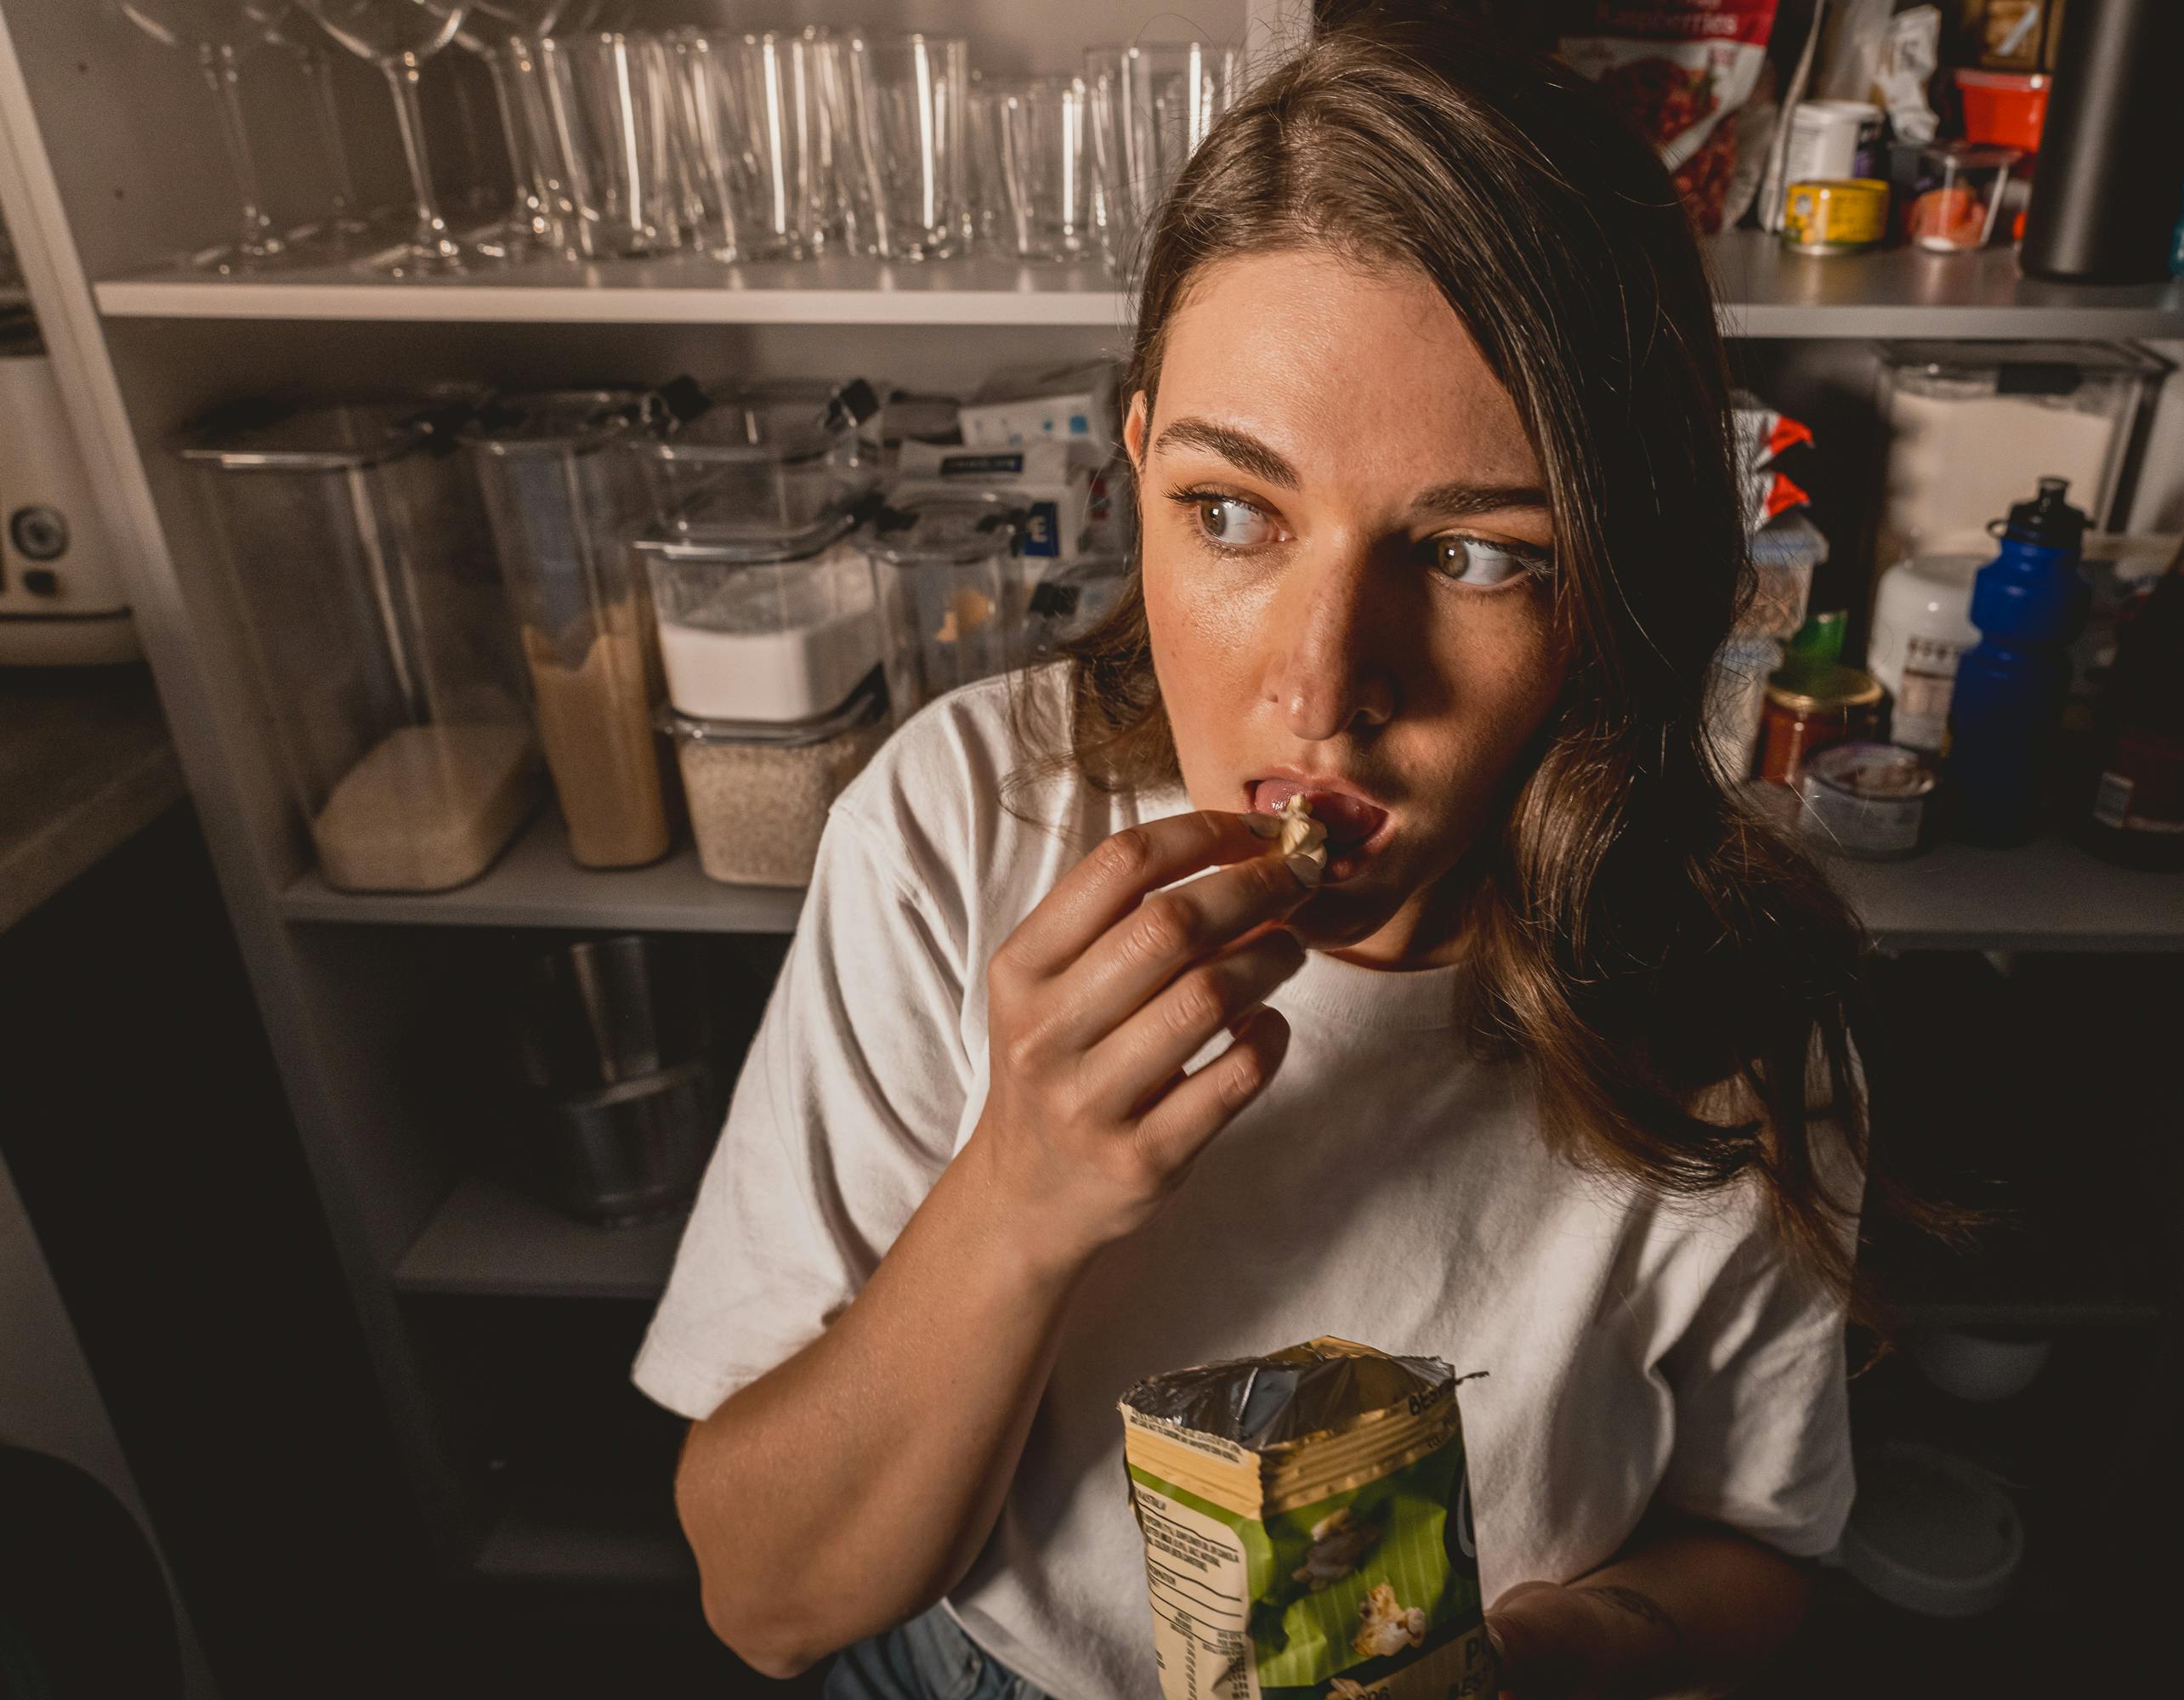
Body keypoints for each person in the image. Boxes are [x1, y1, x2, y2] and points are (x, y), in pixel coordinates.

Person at [634, 14, 1875, 1697]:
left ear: (1620, 577)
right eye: (1233, 512)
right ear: (1138, 467)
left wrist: (1556, 1658)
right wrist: (1021, 1197)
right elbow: (763, 1600)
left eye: (1473, 552)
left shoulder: (1730, 1004)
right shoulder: (967, 822)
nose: (1318, 689)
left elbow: (1761, 1547)